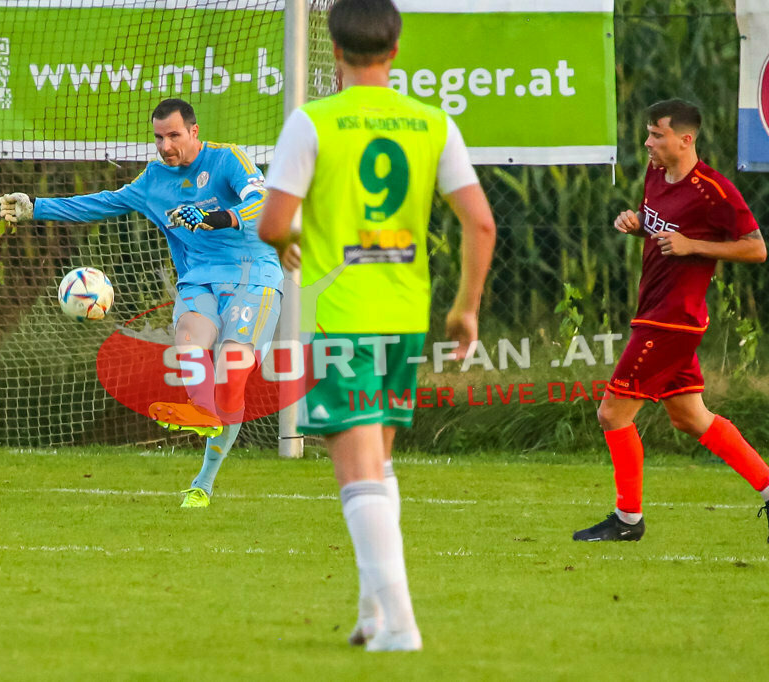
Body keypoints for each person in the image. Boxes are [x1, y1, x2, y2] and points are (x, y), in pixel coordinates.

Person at [258, 0, 495, 652]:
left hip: (342, 317)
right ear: (394, 51)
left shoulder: (313, 122)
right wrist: (465, 307)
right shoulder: (433, 123)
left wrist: (294, 240)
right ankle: (371, 616)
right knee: (379, 463)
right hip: (404, 316)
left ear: (334, 51)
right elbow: (481, 222)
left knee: (356, 470)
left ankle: (403, 627)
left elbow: (274, 224)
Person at [0, 98, 282, 509]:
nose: (166, 146)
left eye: (174, 136)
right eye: (158, 138)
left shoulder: (227, 160)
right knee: (189, 337)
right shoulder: (152, 182)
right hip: (199, 279)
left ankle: (204, 480)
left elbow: (263, 203)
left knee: (232, 371)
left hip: (252, 275)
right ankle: (202, 410)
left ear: (194, 132)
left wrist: (217, 218)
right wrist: (37, 208)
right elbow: (101, 202)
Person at [573, 99, 769, 545]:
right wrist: (637, 223)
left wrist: (693, 245)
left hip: (673, 319)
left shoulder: (713, 191)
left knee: (612, 413)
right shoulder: (656, 174)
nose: (648, 142)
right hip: (655, 310)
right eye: (649, 133)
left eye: (657, 134)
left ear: (686, 139)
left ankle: (627, 519)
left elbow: (756, 249)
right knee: (690, 417)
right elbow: (662, 230)